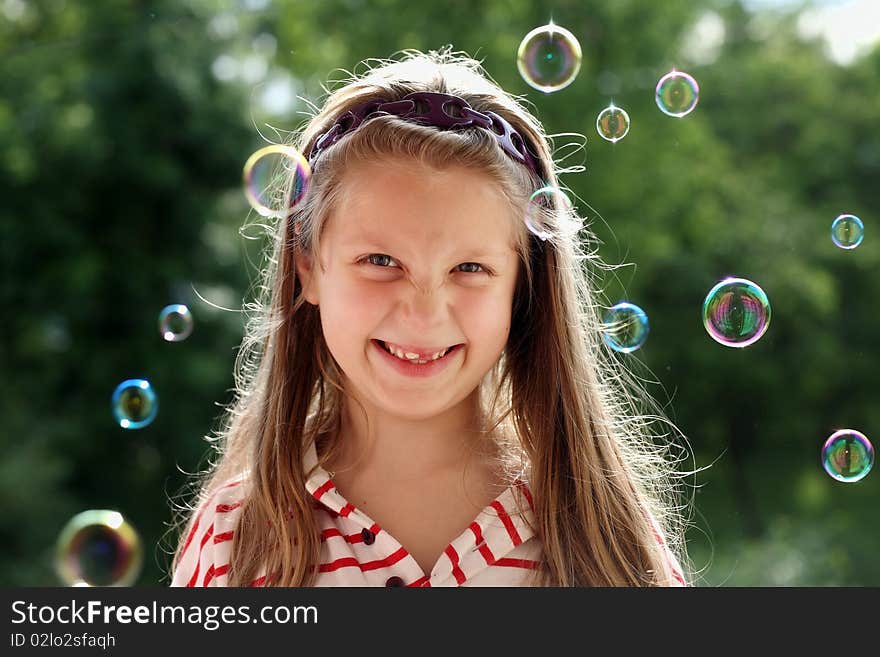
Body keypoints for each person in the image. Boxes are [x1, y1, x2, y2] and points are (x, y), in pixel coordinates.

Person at [168, 47, 690, 587]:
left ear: (522, 287)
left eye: (469, 267)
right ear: (308, 267)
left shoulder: (603, 538)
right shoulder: (236, 539)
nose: (423, 309)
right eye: (380, 261)